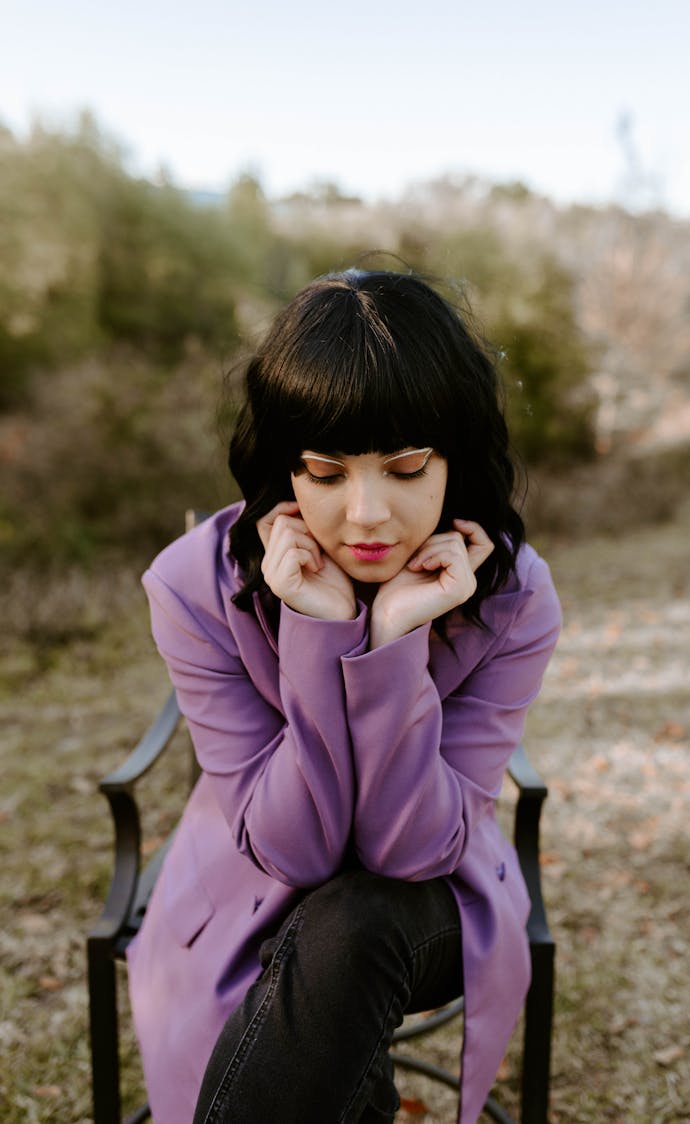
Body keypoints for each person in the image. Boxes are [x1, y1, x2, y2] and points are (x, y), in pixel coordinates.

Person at [127, 268, 562, 1124]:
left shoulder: (513, 596)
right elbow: (293, 849)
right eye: (326, 474)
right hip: (244, 878)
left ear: (454, 459)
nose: (367, 515)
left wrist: (396, 637)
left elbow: (413, 847)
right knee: (331, 968)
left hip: (431, 890)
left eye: (405, 469)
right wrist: (318, 629)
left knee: (357, 922)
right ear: (285, 470)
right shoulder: (193, 587)